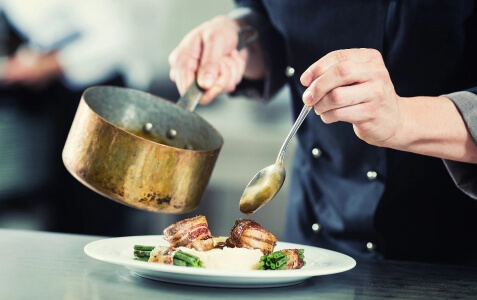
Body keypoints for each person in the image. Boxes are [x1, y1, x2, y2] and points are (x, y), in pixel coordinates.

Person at [168, 0, 477, 264]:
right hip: (314, 241)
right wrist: (241, 34)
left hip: (450, 251)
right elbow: (274, 22)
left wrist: (404, 119)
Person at [0, 0, 135, 236]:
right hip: (62, 101)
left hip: (101, 102)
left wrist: (46, 65)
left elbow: (115, 39)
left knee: (96, 209)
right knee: (65, 204)